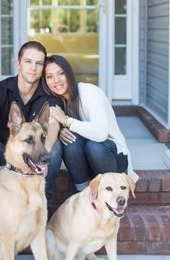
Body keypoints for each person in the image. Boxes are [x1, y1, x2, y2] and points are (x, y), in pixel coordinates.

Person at [0, 41, 63, 202]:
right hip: (6, 157)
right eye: (28, 62)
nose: (33, 68)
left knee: (54, 149)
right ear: (18, 64)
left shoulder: (50, 96)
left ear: (43, 68)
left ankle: (43, 203)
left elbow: (54, 125)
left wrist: (41, 158)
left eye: (38, 63)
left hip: (38, 160)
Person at [42, 54, 138, 191]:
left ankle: (111, 193)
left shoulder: (88, 92)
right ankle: (84, 193)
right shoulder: (56, 102)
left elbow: (101, 134)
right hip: (88, 162)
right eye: (49, 77)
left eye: (61, 73)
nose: (56, 80)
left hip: (113, 158)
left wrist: (66, 121)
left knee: (94, 147)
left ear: (69, 74)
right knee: (70, 140)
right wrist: (60, 130)